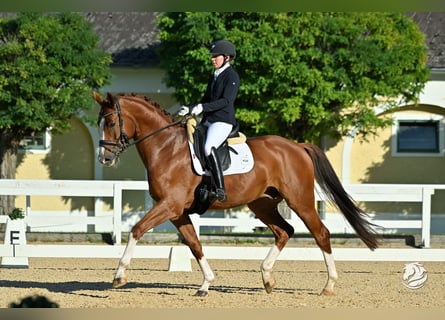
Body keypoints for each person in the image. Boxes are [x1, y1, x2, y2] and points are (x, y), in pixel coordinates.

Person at [179, 39, 240, 202]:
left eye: (216, 56)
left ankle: (220, 188)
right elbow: (205, 99)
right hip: (209, 120)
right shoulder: (214, 76)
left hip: (223, 121)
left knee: (208, 147)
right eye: (212, 56)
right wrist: (191, 108)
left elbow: (226, 101)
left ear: (227, 57)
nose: (212, 59)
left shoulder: (231, 76)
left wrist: (202, 108)